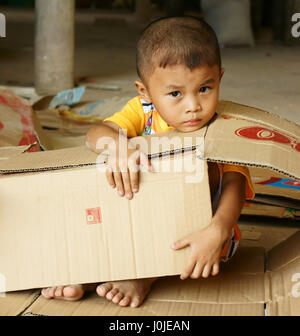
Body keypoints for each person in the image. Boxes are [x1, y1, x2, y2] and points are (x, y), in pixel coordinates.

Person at [41, 16, 255, 307]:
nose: (193, 106)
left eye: (205, 88)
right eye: (176, 94)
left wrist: (218, 228)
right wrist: (116, 145)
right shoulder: (143, 112)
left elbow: (235, 183)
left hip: (201, 234)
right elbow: (95, 134)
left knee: (194, 207)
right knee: (111, 189)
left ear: (219, 77)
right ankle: (89, 271)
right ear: (145, 92)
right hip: (142, 220)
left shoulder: (223, 127)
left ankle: (144, 276)